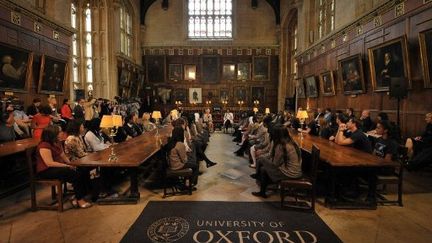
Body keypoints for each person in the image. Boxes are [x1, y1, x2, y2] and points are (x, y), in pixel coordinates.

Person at [35, 125, 91, 208]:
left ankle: (78, 196)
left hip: (58, 167)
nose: (62, 133)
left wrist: (71, 164)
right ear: (54, 134)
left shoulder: (57, 142)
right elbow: (49, 163)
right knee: (74, 174)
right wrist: (66, 166)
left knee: (82, 169)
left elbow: (63, 156)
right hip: (46, 170)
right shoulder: (44, 145)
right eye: (60, 131)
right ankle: (79, 200)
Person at [251, 125, 303, 198]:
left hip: (290, 174)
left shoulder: (281, 145)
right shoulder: (292, 142)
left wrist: (265, 160)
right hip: (297, 172)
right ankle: (262, 190)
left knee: (261, 160)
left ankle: (259, 179)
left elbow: (275, 164)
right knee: (263, 168)